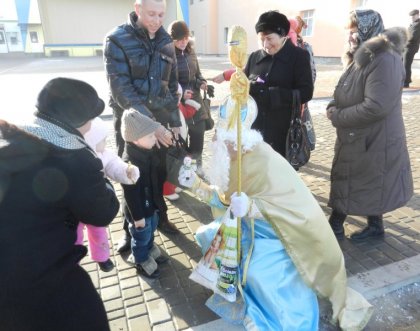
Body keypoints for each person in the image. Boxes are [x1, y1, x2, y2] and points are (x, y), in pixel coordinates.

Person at [178, 96, 373, 330]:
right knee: (207, 234)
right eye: (216, 137)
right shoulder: (231, 160)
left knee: (259, 272)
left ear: (236, 141)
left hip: (275, 235)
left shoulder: (264, 159)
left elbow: (287, 206)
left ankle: (266, 316)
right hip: (245, 229)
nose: (214, 142)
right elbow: (223, 199)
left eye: (220, 138)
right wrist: (195, 184)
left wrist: (251, 207)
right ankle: (236, 291)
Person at [0, 77, 120, 331]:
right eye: (91, 116)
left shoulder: (15, 136)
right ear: (78, 120)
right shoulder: (74, 158)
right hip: (42, 277)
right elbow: (103, 212)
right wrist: (106, 179)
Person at [326, 9, 413, 241]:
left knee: (358, 180)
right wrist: (334, 104)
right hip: (361, 135)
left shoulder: (384, 59)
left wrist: (338, 116)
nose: (351, 36)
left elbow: (376, 106)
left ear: (367, 29)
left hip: (374, 137)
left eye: (354, 31)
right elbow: (348, 87)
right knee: (370, 182)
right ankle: (375, 227)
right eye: (349, 32)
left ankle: (335, 225)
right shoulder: (363, 55)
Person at [104, 0, 181, 246]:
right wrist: (152, 126)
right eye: (151, 14)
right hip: (131, 126)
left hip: (158, 120)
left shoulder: (166, 41)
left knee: (158, 173)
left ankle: (161, 217)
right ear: (138, 9)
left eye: (161, 15)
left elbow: (170, 85)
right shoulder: (117, 39)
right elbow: (121, 90)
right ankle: (130, 231)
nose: (157, 20)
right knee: (132, 177)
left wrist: (175, 120)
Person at [212, 10, 313, 157]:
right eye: (261, 39)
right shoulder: (254, 57)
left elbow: (306, 92)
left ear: (283, 35)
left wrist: (272, 95)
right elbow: (244, 85)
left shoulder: (299, 57)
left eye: (270, 39)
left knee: (276, 176)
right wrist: (246, 87)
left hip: (282, 132)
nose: (265, 44)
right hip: (254, 132)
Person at [76, 117, 140, 272]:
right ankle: (73, 259)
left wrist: (127, 170)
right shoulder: (73, 156)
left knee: (98, 232)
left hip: (95, 202)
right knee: (73, 235)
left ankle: (102, 257)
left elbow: (115, 165)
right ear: (89, 141)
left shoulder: (105, 155)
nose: (105, 142)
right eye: (102, 140)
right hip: (74, 205)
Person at [120, 108, 170, 278]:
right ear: (135, 140)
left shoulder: (146, 151)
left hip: (151, 204)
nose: (154, 138)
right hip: (140, 210)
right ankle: (141, 259)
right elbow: (131, 195)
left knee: (151, 229)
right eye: (150, 136)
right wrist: (138, 217)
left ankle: (149, 247)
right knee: (140, 236)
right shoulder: (130, 164)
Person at [168, 20, 209, 170]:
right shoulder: (168, 55)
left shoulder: (191, 52)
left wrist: (202, 82)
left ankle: (198, 172)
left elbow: (198, 74)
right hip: (179, 107)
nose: (183, 42)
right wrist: (181, 92)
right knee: (182, 145)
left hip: (196, 104)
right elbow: (167, 82)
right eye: (179, 39)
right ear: (172, 39)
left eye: (185, 38)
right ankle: (184, 175)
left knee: (198, 141)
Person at [403, 9, 420, 88]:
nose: (412, 17)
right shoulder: (413, 24)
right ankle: (404, 80)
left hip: (411, 47)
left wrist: (403, 39)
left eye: (413, 16)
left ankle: (406, 83)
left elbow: (413, 37)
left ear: (417, 15)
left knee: (406, 65)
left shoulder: (418, 24)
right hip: (408, 47)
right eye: (411, 16)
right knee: (403, 64)